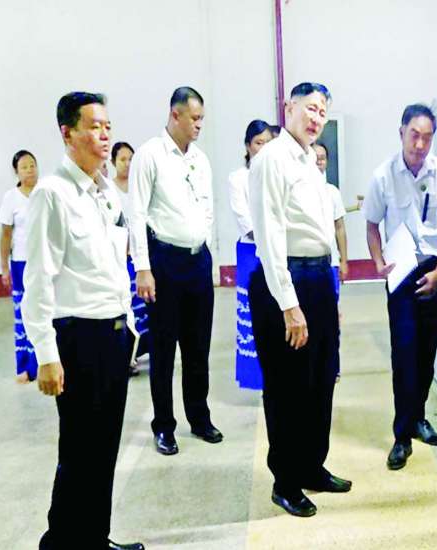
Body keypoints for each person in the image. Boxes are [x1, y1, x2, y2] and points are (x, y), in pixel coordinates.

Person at [22, 91, 144, 550]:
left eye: (107, 126)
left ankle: (95, 537)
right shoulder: (52, 194)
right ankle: (60, 542)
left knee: (104, 448)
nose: (105, 134)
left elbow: (114, 266)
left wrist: (128, 327)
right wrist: (46, 354)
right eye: (94, 126)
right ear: (67, 133)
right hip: (77, 338)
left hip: (113, 336)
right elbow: (38, 280)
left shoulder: (107, 192)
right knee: (77, 450)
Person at [248, 82, 351, 518]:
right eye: (310, 108)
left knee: (321, 379)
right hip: (286, 280)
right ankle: (286, 481)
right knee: (288, 386)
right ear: (288, 107)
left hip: (318, 277)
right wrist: (289, 304)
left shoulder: (310, 160)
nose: (316, 118)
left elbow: (322, 229)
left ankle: (312, 465)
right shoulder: (272, 159)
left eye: (323, 112)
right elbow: (270, 235)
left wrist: (331, 290)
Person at [362, 103, 437, 471]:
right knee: (404, 354)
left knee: (426, 353)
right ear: (401, 132)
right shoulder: (383, 176)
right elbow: (372, 225)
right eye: (414, 135)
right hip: (401, 273)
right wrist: (377, 262)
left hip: (433, 270)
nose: (420, 144)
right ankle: (401, 436)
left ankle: (418, 417)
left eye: (427, 138)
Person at [128, 86, 221, 456]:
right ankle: (164, 426)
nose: (199, 125)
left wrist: (206, 250)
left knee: (198, 347)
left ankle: (199, 417)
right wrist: (143, 268)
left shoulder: (200, 159)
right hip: (163, 262)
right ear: (175, 115)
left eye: (202, 119)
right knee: (164, 350)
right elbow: (137, 213)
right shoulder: (150, 155)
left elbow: (208, 209)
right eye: (194, 118)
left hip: (198, 261)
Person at [229, 120, 278, 390]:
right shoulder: (238, 178)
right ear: (248, 146)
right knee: (252, 318)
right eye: (259, 143)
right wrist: (271, 236)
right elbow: (244, 219)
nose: (264, 148)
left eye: (269, 143)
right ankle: (255, 377)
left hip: (279, 251)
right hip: (252, 251)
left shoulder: (278, 174)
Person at [0, 150, 40, 383]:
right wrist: (4, 267)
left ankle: (42, 363)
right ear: (16, 171)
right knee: (22, 313)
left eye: (33, 165)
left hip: (43, 263)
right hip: (21, 263)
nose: (30, 170)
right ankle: (24, 366)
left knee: (43, 312)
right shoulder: (11, 198)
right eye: (24, 167)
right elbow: (5, 235)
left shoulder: (44, 193)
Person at [110, 142, 149, 376]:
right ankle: (128, 357)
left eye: (131, 159)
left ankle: (144, 350)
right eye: (122, 159)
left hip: (140, 257)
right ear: (113, 162)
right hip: (120, 260)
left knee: (144, 306)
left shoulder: (138, 186)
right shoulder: (109, 190)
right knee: (127, 308)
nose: (127, 164)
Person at [312, 142, 348, 383]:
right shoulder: (297, 190)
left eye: (322, 158)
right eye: (314, 157)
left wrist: (344, 260)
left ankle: (332, 365)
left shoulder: (332, 193)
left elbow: (340, 228)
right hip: (306, 265)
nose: (318, 162)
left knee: (332, 317)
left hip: (330, 265)